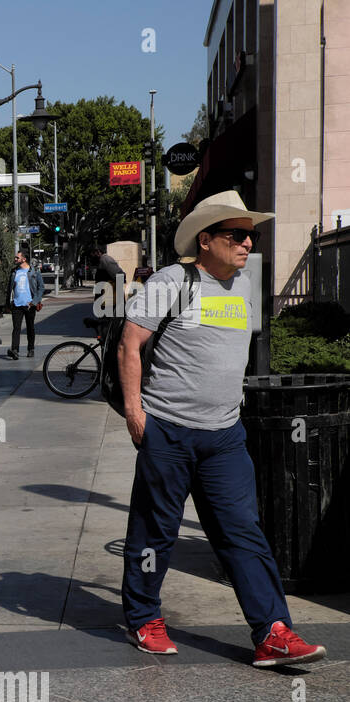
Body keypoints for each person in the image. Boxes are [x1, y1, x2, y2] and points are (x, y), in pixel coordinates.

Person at [118, 189, 325, 667]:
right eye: (237, 235)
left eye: (250, 236)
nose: (247, 243)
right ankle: (144, 617)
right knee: (155, 532)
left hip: (225, 435)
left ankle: (272, 632)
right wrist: (135, 411)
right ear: (205, 239)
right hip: (168, 429)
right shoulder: (173, 281)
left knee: (243, 532)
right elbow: (131, 345)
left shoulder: (243, 286)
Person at [6, 249, 42, 359]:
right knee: (16, 328)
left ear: (24, 259)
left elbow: (41, 287)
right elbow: (9, 288)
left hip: (30, 305)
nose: (15, 259)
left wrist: (35, 302)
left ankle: (31, 349)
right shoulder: (14, 272)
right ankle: (15, 350)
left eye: (17, 257)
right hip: (17, 305)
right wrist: (8, 303)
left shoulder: (34, 271)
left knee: (30, 328)